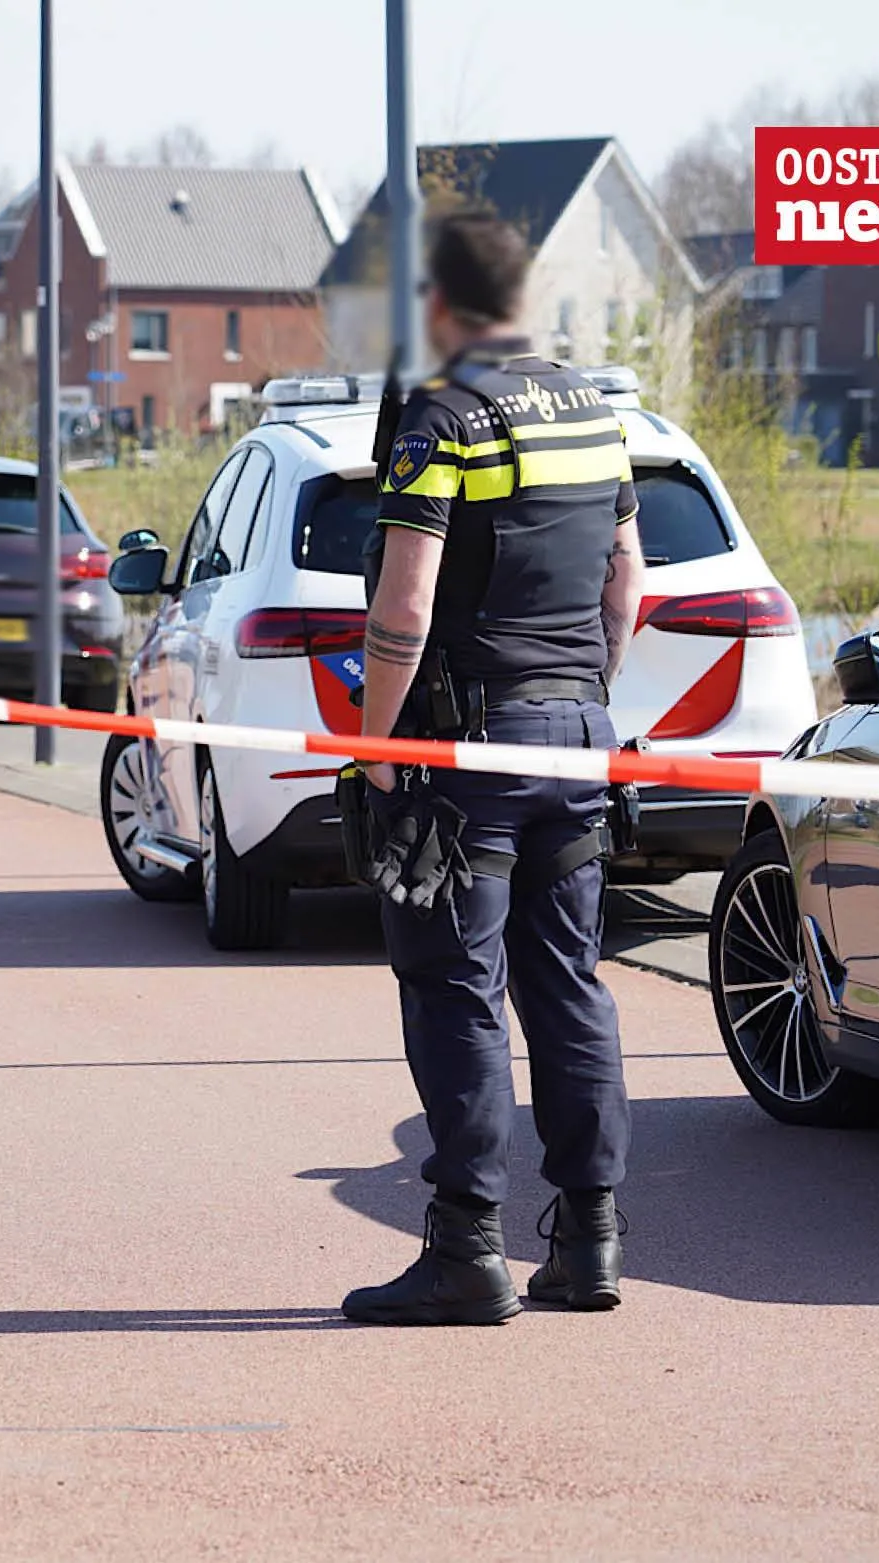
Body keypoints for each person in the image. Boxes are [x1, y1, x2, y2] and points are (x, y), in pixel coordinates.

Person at [339, 212, 644, 1327]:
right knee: (567, 984)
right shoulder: (596, 410)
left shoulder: (445, 416)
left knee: (456, 989)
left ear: (433, 301)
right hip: (574, 739)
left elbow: (403, 604)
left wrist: (377, 751)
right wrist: (583, 696)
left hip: (462, 754)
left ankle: (467, 1249)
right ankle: (589, 1241)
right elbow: (627, 589)